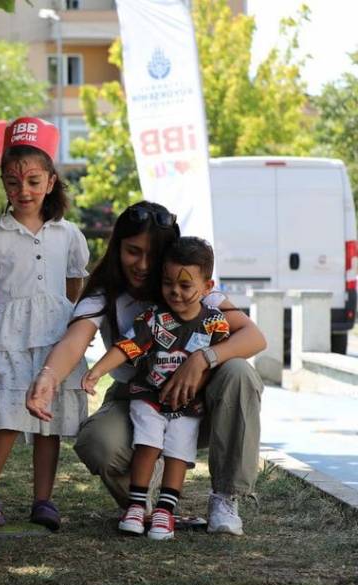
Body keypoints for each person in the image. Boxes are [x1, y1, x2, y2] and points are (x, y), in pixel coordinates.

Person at [26, 201, 267, 535]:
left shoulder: (190, 288)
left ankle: (226, 497)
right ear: (117, 248)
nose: (142, 265)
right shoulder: (104, 293)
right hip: (138, 397)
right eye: (132, 251)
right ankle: (145, 505)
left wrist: (202, 360)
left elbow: (254, 336)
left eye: (152, 255)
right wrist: (48, 376)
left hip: (201, 401)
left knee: (238, 371)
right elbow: (74, 340)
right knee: (97, 442)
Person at [0, 118, 89, 531]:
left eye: (34, 181)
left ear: (51, 182)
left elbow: (75, 290)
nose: (24, 192)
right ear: (4, 183)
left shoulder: (69, 235)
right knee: (5, 416)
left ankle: (44, 499)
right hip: (9, 338)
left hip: (55, 339)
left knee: (47, 423)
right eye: (14, 183)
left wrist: (71, 339)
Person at [82, 237, 230, 540]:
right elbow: (127, 348)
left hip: (189, 406)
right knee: (147, 443)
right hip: (148, 397)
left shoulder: (216, 323)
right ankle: (136, 505)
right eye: (167, 283)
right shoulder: (154, 318)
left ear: (207, 286)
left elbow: (225, 355)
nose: (175, 291)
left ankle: (165, 511)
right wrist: (96, 371)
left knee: (178, 450)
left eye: (185, 286)